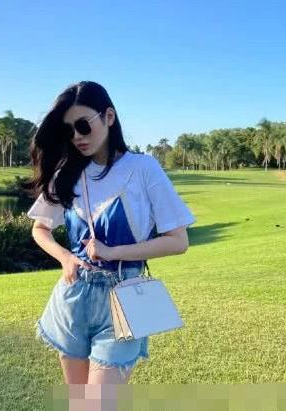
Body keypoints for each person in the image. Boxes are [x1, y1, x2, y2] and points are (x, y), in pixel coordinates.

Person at [25, 81, 196, 391]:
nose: (77, 136)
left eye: (83, 125)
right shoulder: (68, 172)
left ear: (109, 117)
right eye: (69, 130)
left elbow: (178, 241)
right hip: (73, 297)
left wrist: (112, 252)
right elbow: (40, 228)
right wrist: (65, 257)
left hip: (125, 297)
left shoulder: (143, 168)